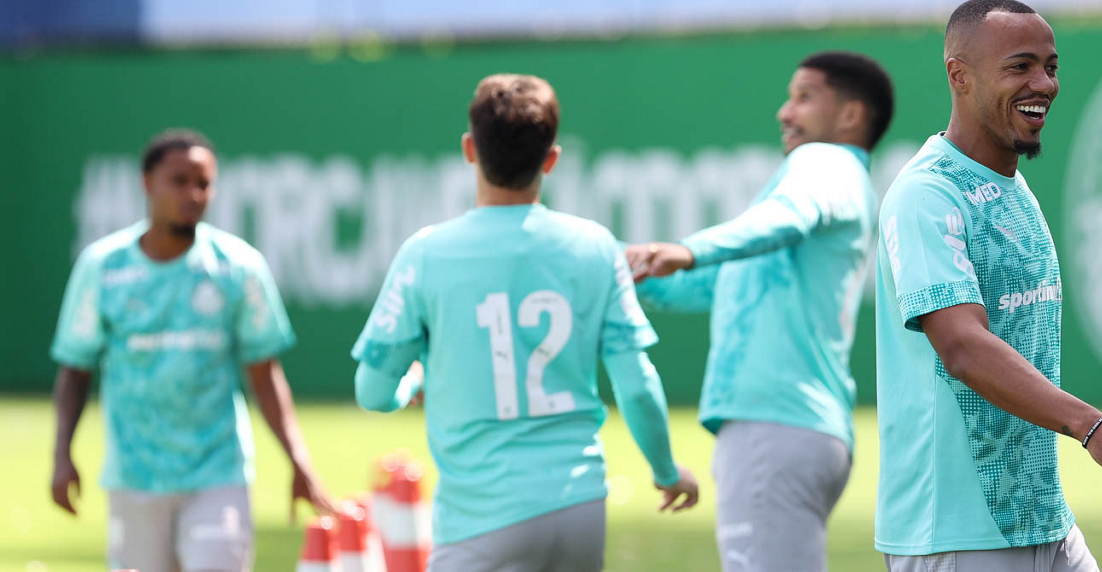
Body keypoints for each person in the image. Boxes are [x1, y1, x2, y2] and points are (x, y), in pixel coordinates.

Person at [874, 0, 1102, 572]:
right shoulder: (926, 195)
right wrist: (1093, 427)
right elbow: (962, 346)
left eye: (1051, 66)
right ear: (958, 75)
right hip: (956, 533)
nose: (1043, 83)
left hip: (1041, 519)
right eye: (1019, 66)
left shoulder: (1013, 187)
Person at [351, 74, 699, 572]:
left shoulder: (425, 253)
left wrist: (411, 385)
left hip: (480, 519)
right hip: (579, 508)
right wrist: (666, 472)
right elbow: (636, 383)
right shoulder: (595, 246)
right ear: (551, 158)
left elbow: (371, 391)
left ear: (470, 149)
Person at [626, 51, 895, 572]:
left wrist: (689, 248)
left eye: (804, 97)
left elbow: (787, 219)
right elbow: (703, 285)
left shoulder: (824, 162)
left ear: (849, 116)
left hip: (774, 427)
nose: (784, 112)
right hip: (799, 428)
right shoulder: (836, 179)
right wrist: (609, 261)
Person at [49, 128, 335, 572]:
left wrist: (299, 461)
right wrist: (62, 454)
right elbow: (76, 369)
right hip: (134, 476)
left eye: (203, 183)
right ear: (148, 183)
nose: (194, 193)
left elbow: (264, 372)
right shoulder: (103, 268)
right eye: (179, 181)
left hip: (217, 472)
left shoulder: (238, 267)